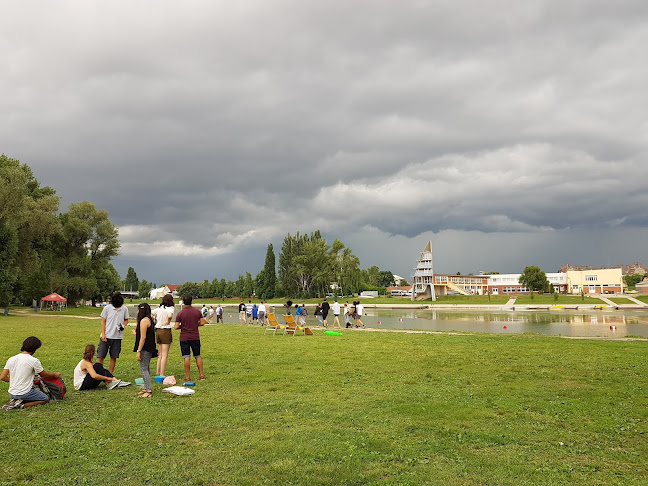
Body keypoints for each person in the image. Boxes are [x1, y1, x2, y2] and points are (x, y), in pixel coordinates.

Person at [1, 336, 61, 410]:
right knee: (45, 398)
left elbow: (2, 377)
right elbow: (44, 375)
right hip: (24, 392)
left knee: (33, 389)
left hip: (12, 393)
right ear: (35, 349)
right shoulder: (33, 360)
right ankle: (21, 405)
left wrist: (15, 380)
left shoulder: (12, 359)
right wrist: (55, 374)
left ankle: (17, 400)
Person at [175, 295, 208, 382]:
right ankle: (201, 375)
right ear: (191, 301)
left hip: (184, 337)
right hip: (195, 336)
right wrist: (195, 324)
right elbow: (202, 323)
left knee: (186, 356)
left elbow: (176, 326)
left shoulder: (180, 313)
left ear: (183, 301)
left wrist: (183, 326)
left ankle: (187, 376)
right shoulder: (197, 312)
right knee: (198, 355)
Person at [98, 292, 129, 374]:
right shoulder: (107, 308)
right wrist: (103, 334)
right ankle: (100, 373)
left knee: (113, 356)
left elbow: (126, 320)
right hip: (106, 335)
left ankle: (110, 374)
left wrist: (123, 325)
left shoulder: (124, 309)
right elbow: (103, 321)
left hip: (117, 337)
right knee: (101, 356)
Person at [134, 303, 156, 398]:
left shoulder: (144, 321)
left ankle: (149, 390)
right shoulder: (149, 319)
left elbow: (143, 337)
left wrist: (138, 351)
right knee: (146, 368)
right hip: (150, 347)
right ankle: (147, 387)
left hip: (145, 348)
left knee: (143, 369)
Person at [152, 294, 174, 376]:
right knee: (165, 355)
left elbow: (151, 313)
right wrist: (168, 322)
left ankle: (158, 372)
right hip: (165, 330)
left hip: (158, 330)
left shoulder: (159, 308)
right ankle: (162, 374)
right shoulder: (170, 308)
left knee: (160, 354)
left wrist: (155, 319)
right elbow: (170, 316)